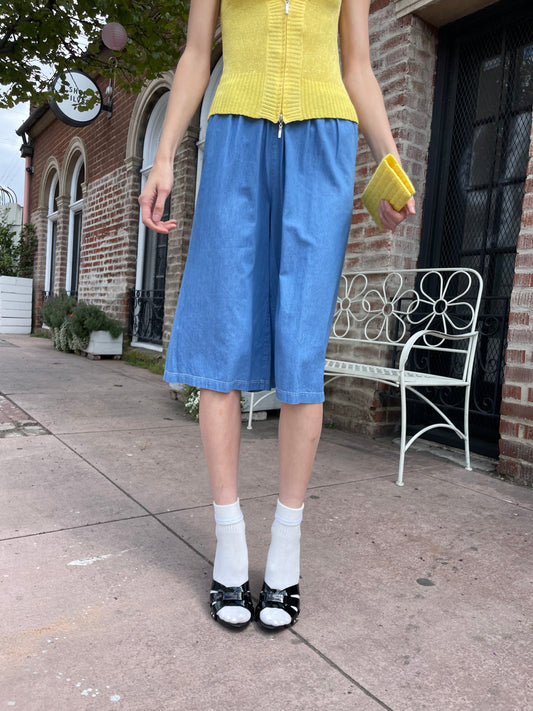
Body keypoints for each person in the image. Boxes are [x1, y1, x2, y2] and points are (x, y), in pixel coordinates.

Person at [139, 0, 415, 631]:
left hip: (325, 145)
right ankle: (230, 544)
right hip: (235, 135)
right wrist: (162, 159)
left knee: (301, 349)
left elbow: (358, 67)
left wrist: (389, 162)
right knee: (219, 338)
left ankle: (285, 550)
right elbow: (195, 52)